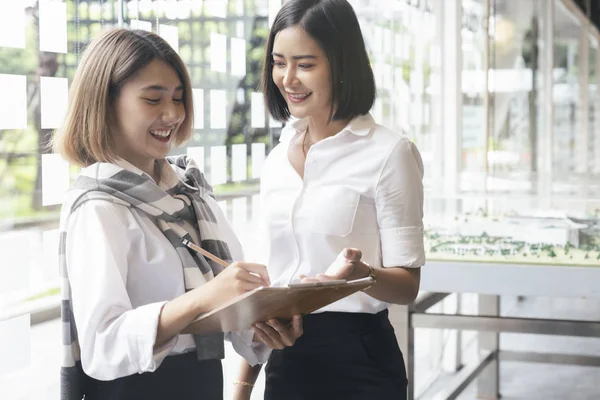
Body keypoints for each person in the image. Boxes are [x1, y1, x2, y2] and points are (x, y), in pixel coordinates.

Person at [53, 28, 302, 400]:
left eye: (179, 98)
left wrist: (266, 323)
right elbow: (102, 346)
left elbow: (229, 303)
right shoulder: (98, 207)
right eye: (153, 99)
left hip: (200, 384)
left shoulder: (189, 192)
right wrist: (203, 299)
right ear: (105, 103)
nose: (171, 114)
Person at [233, 0, 425, 399]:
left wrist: (359, 277)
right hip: (285, 359)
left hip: (360, 361)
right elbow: (266, 288)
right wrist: (241, 387)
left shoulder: (390, 153)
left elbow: (407, 286)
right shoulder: (276, 160)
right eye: (278, 62)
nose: (288, 79)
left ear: (341, 65)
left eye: (305, 64)